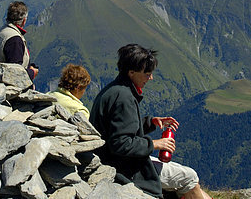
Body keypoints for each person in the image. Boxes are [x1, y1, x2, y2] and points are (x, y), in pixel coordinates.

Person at [90, 44, 212, 199]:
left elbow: (120, 126)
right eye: (147, 74)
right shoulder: (124, 97)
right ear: (131, 72)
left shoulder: (115, 89)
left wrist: (152, 122)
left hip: (114, 159)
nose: (151, 78)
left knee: (190, 180)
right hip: (124, 167)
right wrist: (155, 144)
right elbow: (120, 143)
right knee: (190, 176)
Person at [0, 1, 39, 83]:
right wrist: (32, 72)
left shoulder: (3, 31)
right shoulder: (14, 40)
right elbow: (15, 74)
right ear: (24, 20)